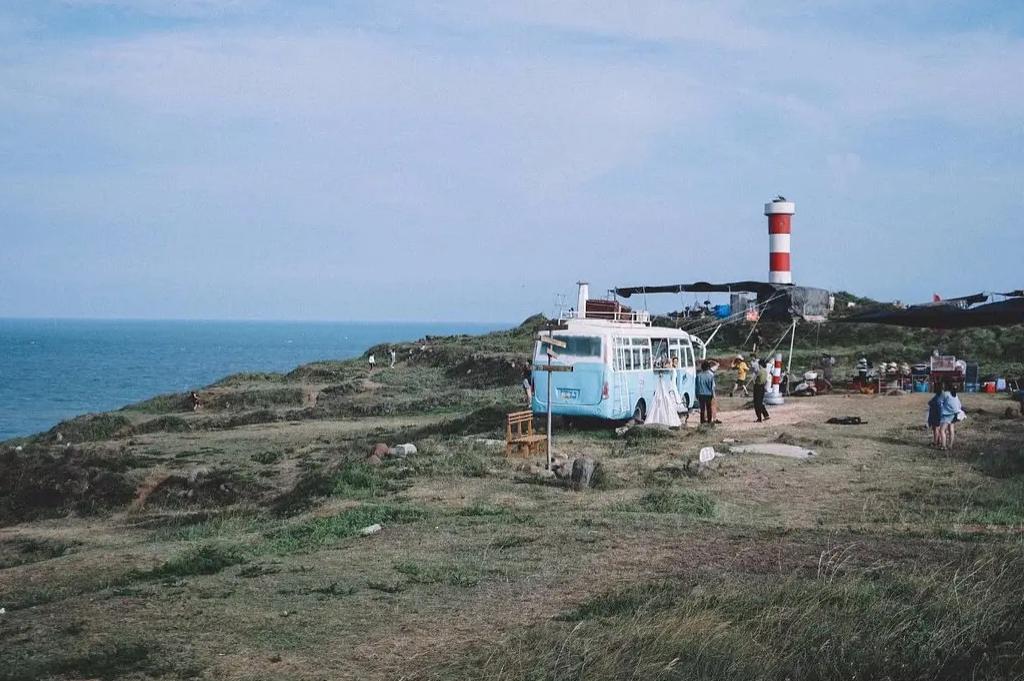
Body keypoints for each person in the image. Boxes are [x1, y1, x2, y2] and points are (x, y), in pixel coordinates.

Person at [941, 383, 963, 450]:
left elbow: (940, 402)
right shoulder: (956, 395)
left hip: (947, 415)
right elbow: (959, 405)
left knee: (942, 430)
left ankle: (944, 446)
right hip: (954, 414)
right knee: (951, 429)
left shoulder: (946, 394)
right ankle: (950, 445)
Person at [695, 360, 716, 425]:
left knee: (702, 409)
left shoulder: (698, 376)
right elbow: (712, 387)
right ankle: (709, 421)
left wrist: (696, 394)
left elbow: (696, 386)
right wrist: (714, 395)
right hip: (708, 394)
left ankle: (702, 422)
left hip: (700, 394)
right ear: (708, 367)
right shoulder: (711, 375)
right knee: (709, 408)